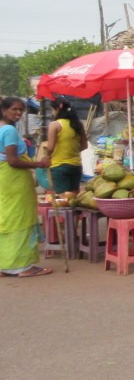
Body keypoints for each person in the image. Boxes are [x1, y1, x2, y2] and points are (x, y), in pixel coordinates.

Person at [1, 97, 52, 277]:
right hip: (13, 181)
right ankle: (22, 267)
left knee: (7, 219)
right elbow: (13, 161)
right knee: (19, 219)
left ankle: (6, 265)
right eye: (14, 109)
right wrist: (39, 164)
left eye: (21, 110)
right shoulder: (8, 130)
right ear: (4, 110)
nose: (18, 113)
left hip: (5, 181)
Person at [46, 99, 87, 194]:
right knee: (74, 199)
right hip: (76, 167)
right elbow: (84, 146)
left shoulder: (55, 125)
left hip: (59, 167)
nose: (52, 113)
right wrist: (71, 151)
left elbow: (50, 148)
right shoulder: (78, 125)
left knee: (63, 200)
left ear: (57, 109)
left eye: (52, 110)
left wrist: (46, 158)